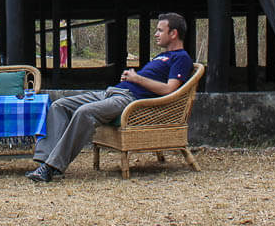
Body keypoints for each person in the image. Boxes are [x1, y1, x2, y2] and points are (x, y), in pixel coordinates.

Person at [26, 12, 192, 183]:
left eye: (160, 31)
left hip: (128, 100)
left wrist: (137, 79)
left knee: (84, 112)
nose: (156, 34)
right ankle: (44, 160)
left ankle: (52, 167)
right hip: (111, 92)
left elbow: (169, 89)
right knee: (59, 105)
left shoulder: (181, 58)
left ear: (173, 33)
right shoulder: (160, 56)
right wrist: (130, 78)